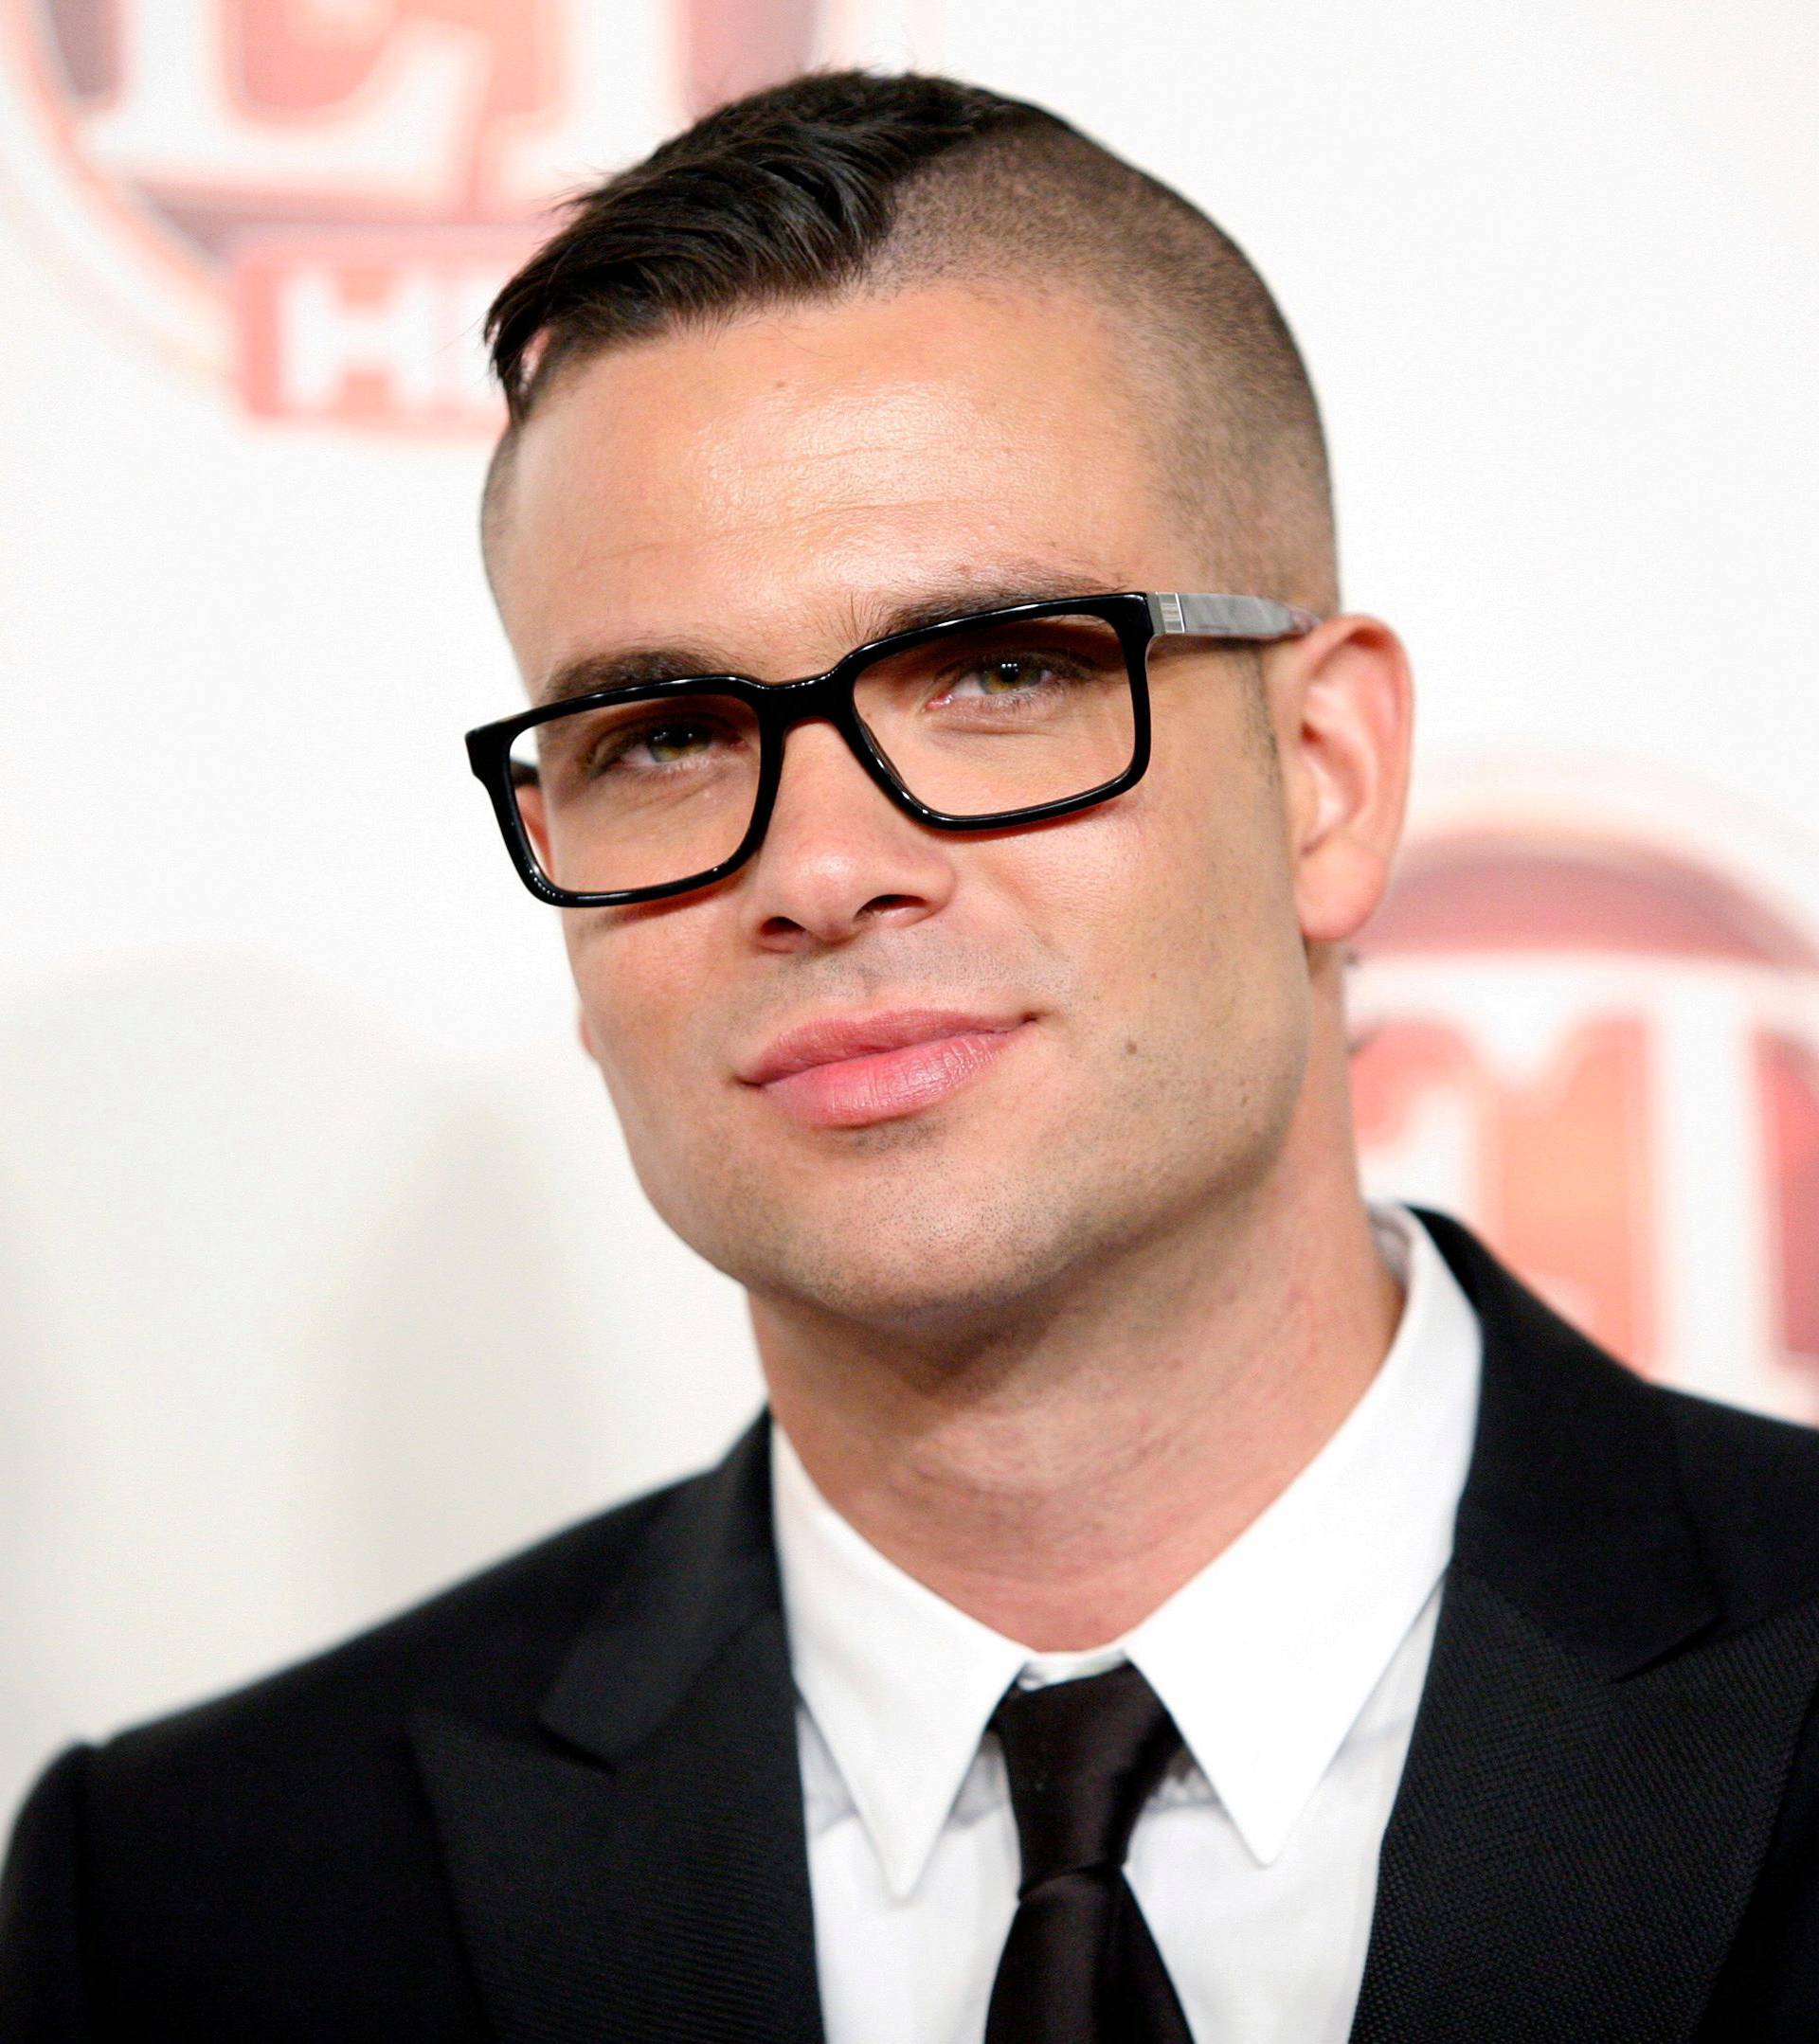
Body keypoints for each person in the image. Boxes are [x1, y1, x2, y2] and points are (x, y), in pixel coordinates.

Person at [5, 67, 1819, 2044]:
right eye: (665, 735)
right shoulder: (197, 1903)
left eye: (999, 672)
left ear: (1324, 777)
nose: (821, 866)